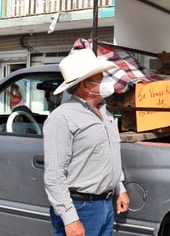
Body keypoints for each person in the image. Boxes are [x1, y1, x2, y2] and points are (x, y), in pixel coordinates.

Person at [43, 48, 130, 236]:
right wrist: (70, 219)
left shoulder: (105, 113)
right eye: (101, 77)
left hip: (105, 206)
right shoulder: (62, 118)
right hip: (81, 207)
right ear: (85, 84)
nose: (107, 81)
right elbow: (54, 176)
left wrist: (119, 188)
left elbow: (110, 155)